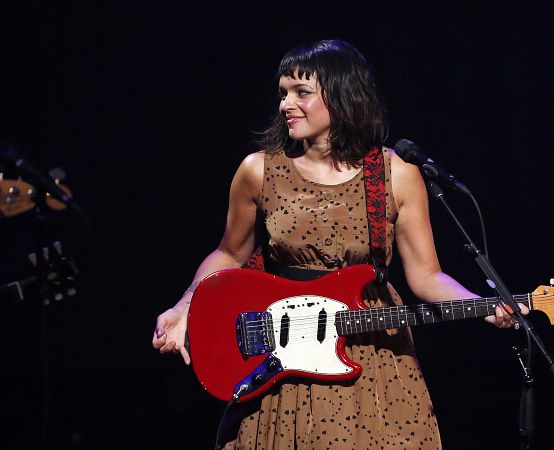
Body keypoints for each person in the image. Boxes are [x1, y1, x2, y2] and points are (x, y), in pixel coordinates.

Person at [152, 39, 528, 449]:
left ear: (343, 95)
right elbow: (229, 252)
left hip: (372, 360)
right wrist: (183, 306)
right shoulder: (259, 170)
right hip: (285, 360)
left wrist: (481, 305)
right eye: (282, 94)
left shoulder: (395, 175)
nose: (285, 105)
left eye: (301, 93)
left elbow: (426, 276)